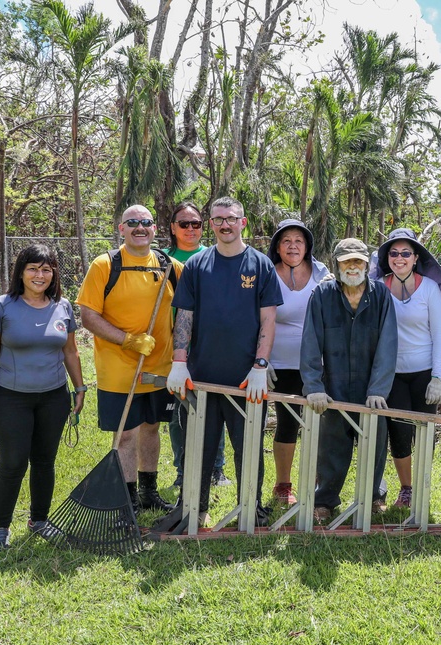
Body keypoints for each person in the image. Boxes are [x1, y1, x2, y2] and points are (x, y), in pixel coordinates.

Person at [166, 196, 282, 526]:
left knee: (248, 450)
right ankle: (194, 508)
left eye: (231, 218)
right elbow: (184, 315)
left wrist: (260, 365)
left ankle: (250, 508)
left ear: (242, 222)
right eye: (217, 219)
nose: (224, 224)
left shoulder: (260, 265)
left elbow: (268, 320)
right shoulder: (197, 266)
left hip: (246, 380)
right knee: (198, 448)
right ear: (211, 224)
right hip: (201, 377)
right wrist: (179, 361)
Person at [0, 244, 86, 551]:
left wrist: (79, 389)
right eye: (33, 268)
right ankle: (0, 530)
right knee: (12, 463)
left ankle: (39, 521)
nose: (40, 275)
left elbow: (70, 351)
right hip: (12, 398)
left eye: (47, 269)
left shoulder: (62, 306)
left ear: (54, 274)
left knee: (44, 461)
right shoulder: (2, 306)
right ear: (21, 272)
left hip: (54, 397)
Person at [76, 204, 181, 515]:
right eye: (132, 222)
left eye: (146, 222)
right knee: (126, 433)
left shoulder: (168, 266)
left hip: (159, 368)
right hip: (119, 369)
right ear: (121, 228)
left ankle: (149, 492)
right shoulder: (104, 265)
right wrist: (128, 339)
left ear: (154, 229)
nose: (140, 227)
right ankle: (128, 498)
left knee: (151, 427)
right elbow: (87, 316)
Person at [301, 238, 397, 522]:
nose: (352, 266)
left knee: (375, 443)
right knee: (332, 445)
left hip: (372, 388)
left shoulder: (380, 295)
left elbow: (388, 345)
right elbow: (310, 343)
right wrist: (314, 387)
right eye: (346, 261)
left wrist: (379, 388)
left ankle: (373, 496)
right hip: (335, 387)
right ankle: (325, 500)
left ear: (367, 265)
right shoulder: (321, 295)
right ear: (336, 264)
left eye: (358, 261)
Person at [374, 228, 441, 508]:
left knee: (425, 432)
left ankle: (422, 486)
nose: (399, 258)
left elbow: (438, 333)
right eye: (394, 253)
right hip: (392, 374)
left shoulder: (429, 288)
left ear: (416, 257)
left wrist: (436, 376)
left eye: (406, 253)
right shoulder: (379, 286)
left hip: (423, 373)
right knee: (399, 433)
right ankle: (406, 489)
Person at [162, 201, 228, 489]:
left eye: (196, 224)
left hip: (211, 345)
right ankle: (182, 469)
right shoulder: (161, 259)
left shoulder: (216, 257)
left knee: (215, 406)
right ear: (173, 227)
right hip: (173, 345)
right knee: (179, 411)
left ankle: (216, 469)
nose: (191, 229)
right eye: (184, 224)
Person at [266, 219, 332, 505]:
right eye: (286, 241)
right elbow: (256, 317)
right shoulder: (267, 273)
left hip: (317, 364)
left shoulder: (322, 274)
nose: (293, 246)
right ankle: (283, 485)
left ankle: (320, 484)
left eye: (299, 241)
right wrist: (261, 359)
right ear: (277, 247)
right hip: (280, 362)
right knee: (287, 422)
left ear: (307, 246)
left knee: (322, 423)